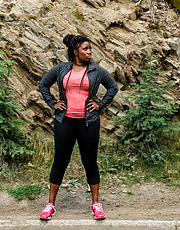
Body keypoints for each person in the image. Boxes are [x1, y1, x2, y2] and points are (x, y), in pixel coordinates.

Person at [36, 34, 118, 221]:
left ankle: (96, 204)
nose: (89, 52)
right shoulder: (61, 68)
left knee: (90, 161)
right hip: (64, 121)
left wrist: (100, 105)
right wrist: (53, 103)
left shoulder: (97, 70)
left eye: (90, 49)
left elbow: (112, 87)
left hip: (88, 122)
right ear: (75, 52)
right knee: (60, 161)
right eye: (85, 49)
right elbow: (43, 85)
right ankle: (50, 205)